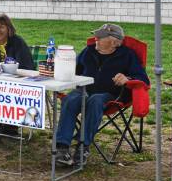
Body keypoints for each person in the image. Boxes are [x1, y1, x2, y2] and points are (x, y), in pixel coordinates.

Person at [54, 23, 149, 166]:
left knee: (96, 100)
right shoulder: (88, 51)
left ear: (114, 42)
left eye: (100, 37)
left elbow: (143, 79)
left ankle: (83, 146)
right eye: (96, 35)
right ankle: (62, 148)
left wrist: (127, 78)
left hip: (111, 95)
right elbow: (73, 70)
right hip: (84, 90)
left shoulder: (127, 55)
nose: (96, 38)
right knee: (70, 99)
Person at [0, 13, 35, 147]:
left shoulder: (18, 43)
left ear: (9, 29)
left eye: (1, 27)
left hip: (17, 87)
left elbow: (28, 66)